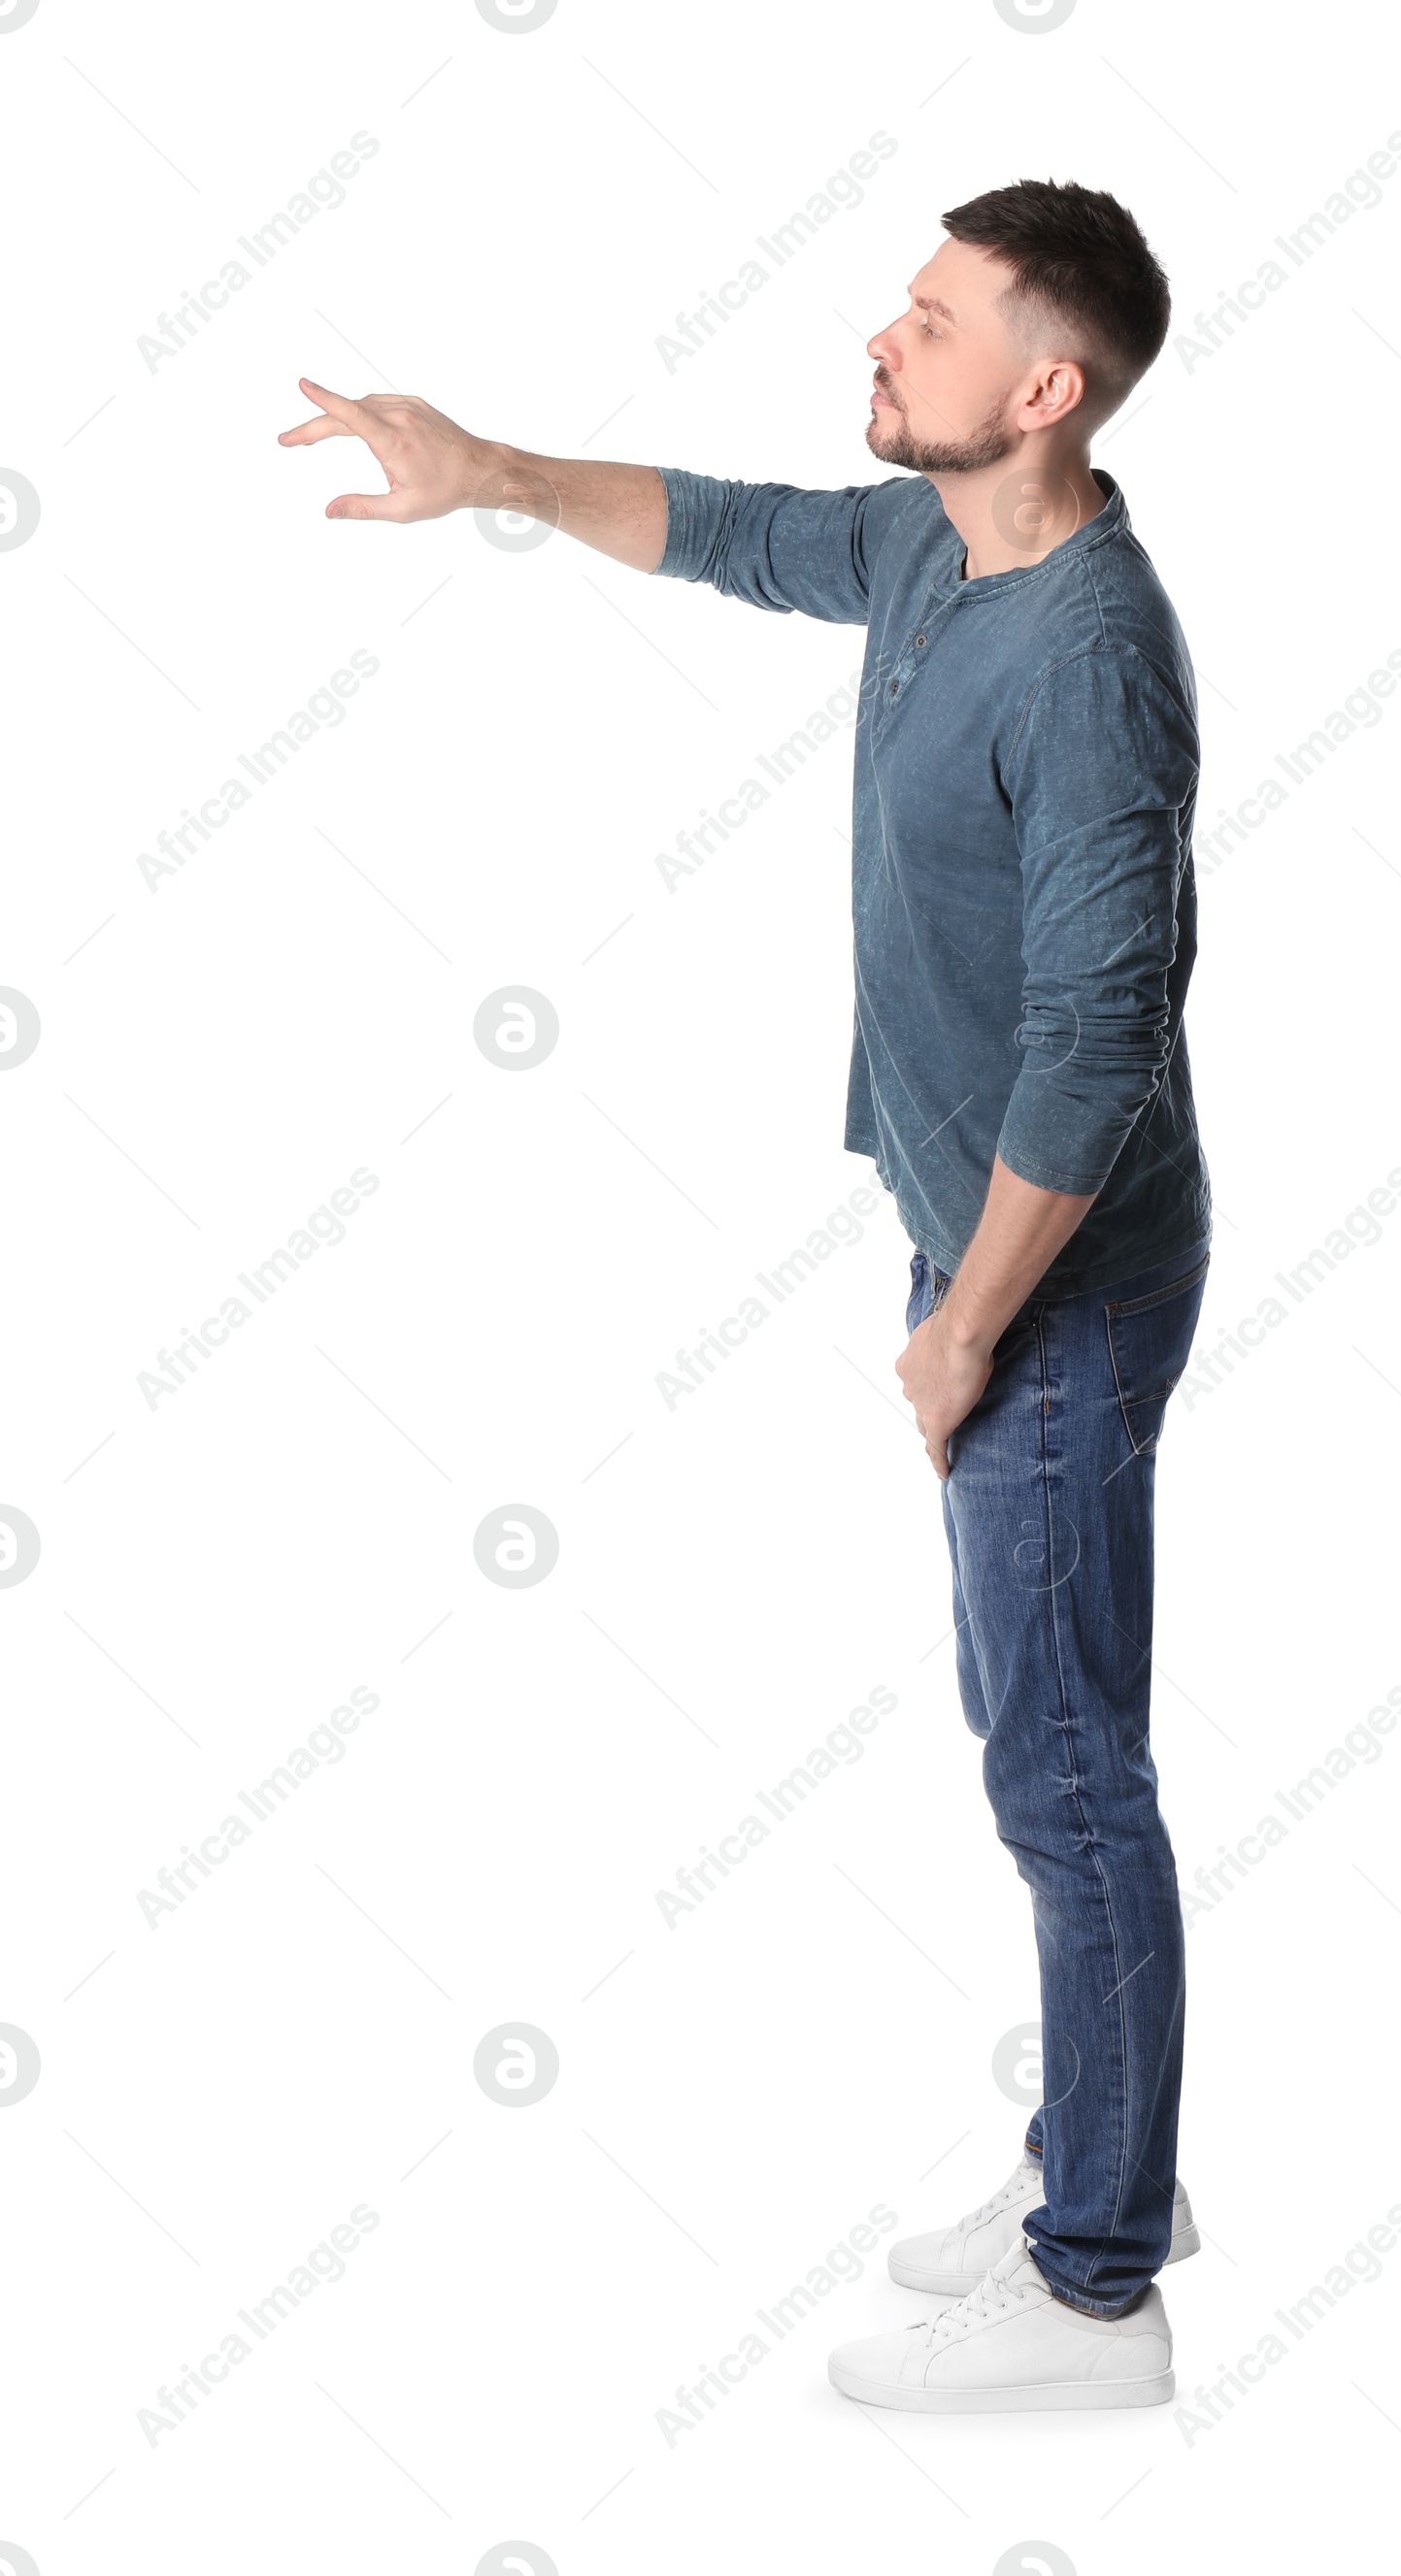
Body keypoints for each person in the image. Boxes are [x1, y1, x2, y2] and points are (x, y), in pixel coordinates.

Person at [281, 175, 1211, 2414]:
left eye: (931, 316)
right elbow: (725, 527)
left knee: (1060, 1768)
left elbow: (1097, 1036)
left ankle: (1096, 2287)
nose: (882, 337)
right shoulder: (930, 549)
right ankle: (1113, 2155)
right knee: (1052, 1735)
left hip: (1052, 1272)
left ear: (1044, 386)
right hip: (982, 1234)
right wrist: (487, 465)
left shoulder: (1086, 660)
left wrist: (970, 1320)